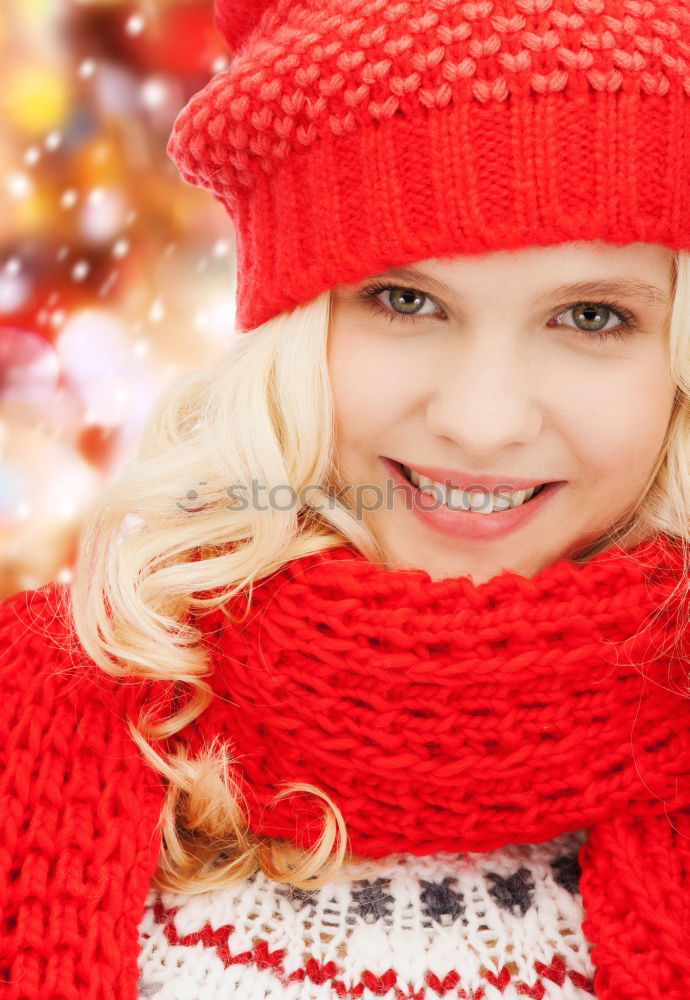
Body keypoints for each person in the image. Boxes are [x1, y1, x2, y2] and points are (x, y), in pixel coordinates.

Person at [1, 1, 689, 998]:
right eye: (406, 300)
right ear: (287, 333)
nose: (482, 420)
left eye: (591, 315)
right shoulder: (40, 700)